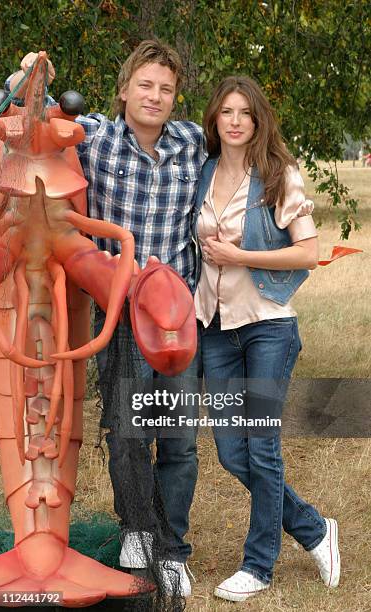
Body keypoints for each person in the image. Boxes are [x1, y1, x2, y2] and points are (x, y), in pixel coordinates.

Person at [6, 40, 206, 597]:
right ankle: (138, 531)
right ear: (124, 91)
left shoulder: (192, 143)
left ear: (175, 98)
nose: (155, 96)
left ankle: (174, 548)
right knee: (125, 434)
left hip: (176, 315)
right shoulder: (95, 136)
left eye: (166, 89)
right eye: (145, 85)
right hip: (119, 314)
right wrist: (28, 74)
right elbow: (39, 119)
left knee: (180, 439)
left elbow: (244, 143)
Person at [192, 75, 340, 602]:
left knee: (263, 450)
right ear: (215, 118)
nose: (234, 121)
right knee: (233, 455)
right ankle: (315, 529)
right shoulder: (203, 172)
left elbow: (308, 253)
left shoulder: (279, 177)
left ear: (258, 120)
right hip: (215, 328)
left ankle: (258, 566)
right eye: (226, 112)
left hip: (268, 327)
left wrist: (241, 257)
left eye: (244, 113)